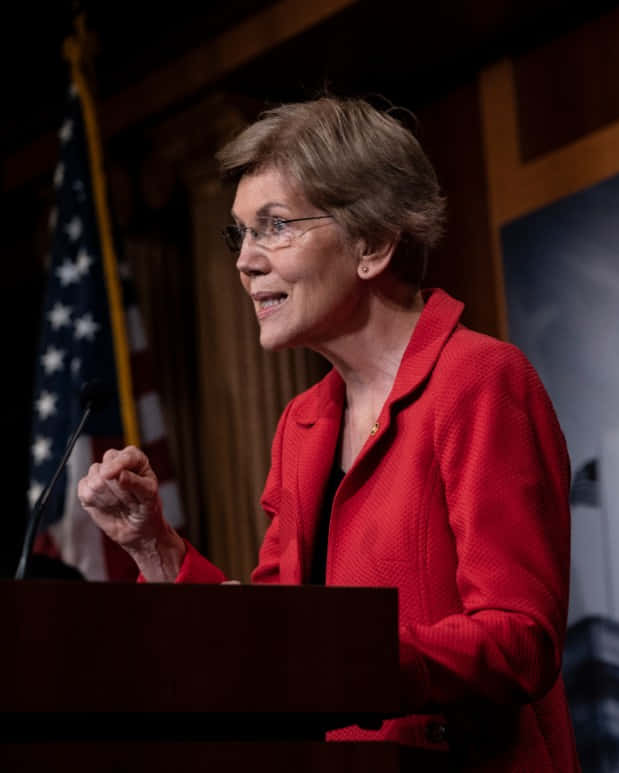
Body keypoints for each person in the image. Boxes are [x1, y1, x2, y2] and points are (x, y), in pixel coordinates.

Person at [76, 97, 580, 771]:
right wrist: (155, 547)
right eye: (239, 235)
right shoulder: (302, 425)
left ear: (372, 243)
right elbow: (270, 643)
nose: (245, 262)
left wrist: (344, 655)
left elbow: (521, 640)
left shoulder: (480, 380)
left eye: (274, 227)